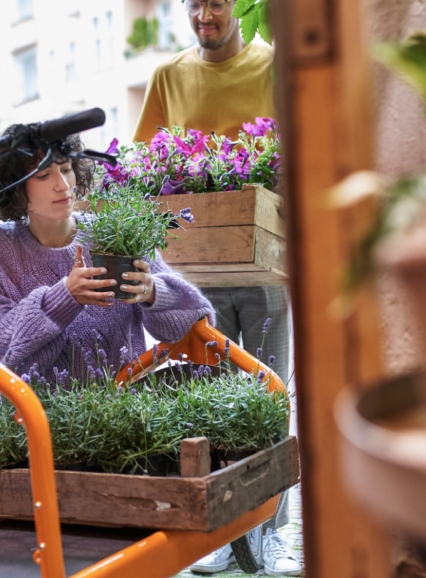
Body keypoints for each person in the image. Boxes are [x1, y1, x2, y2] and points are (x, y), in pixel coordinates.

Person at [134, 1, 300, 575]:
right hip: (193, 278)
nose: (206, 13)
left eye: (219, 1)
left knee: (269, 396)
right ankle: (224, 538)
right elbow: (146, 162)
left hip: (263, 266)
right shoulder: (168, 77)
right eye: (195, 3)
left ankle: (270, 532)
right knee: (206, 402)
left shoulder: (275, 66)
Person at [0, 128, 214, 380]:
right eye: (43, 175)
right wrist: (62, 299)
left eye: (66, 169)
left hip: (124, 407)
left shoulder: (112, 231)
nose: (63, 185)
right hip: (38, 415)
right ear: (15, 186)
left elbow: (197, 315)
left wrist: (153, 292)